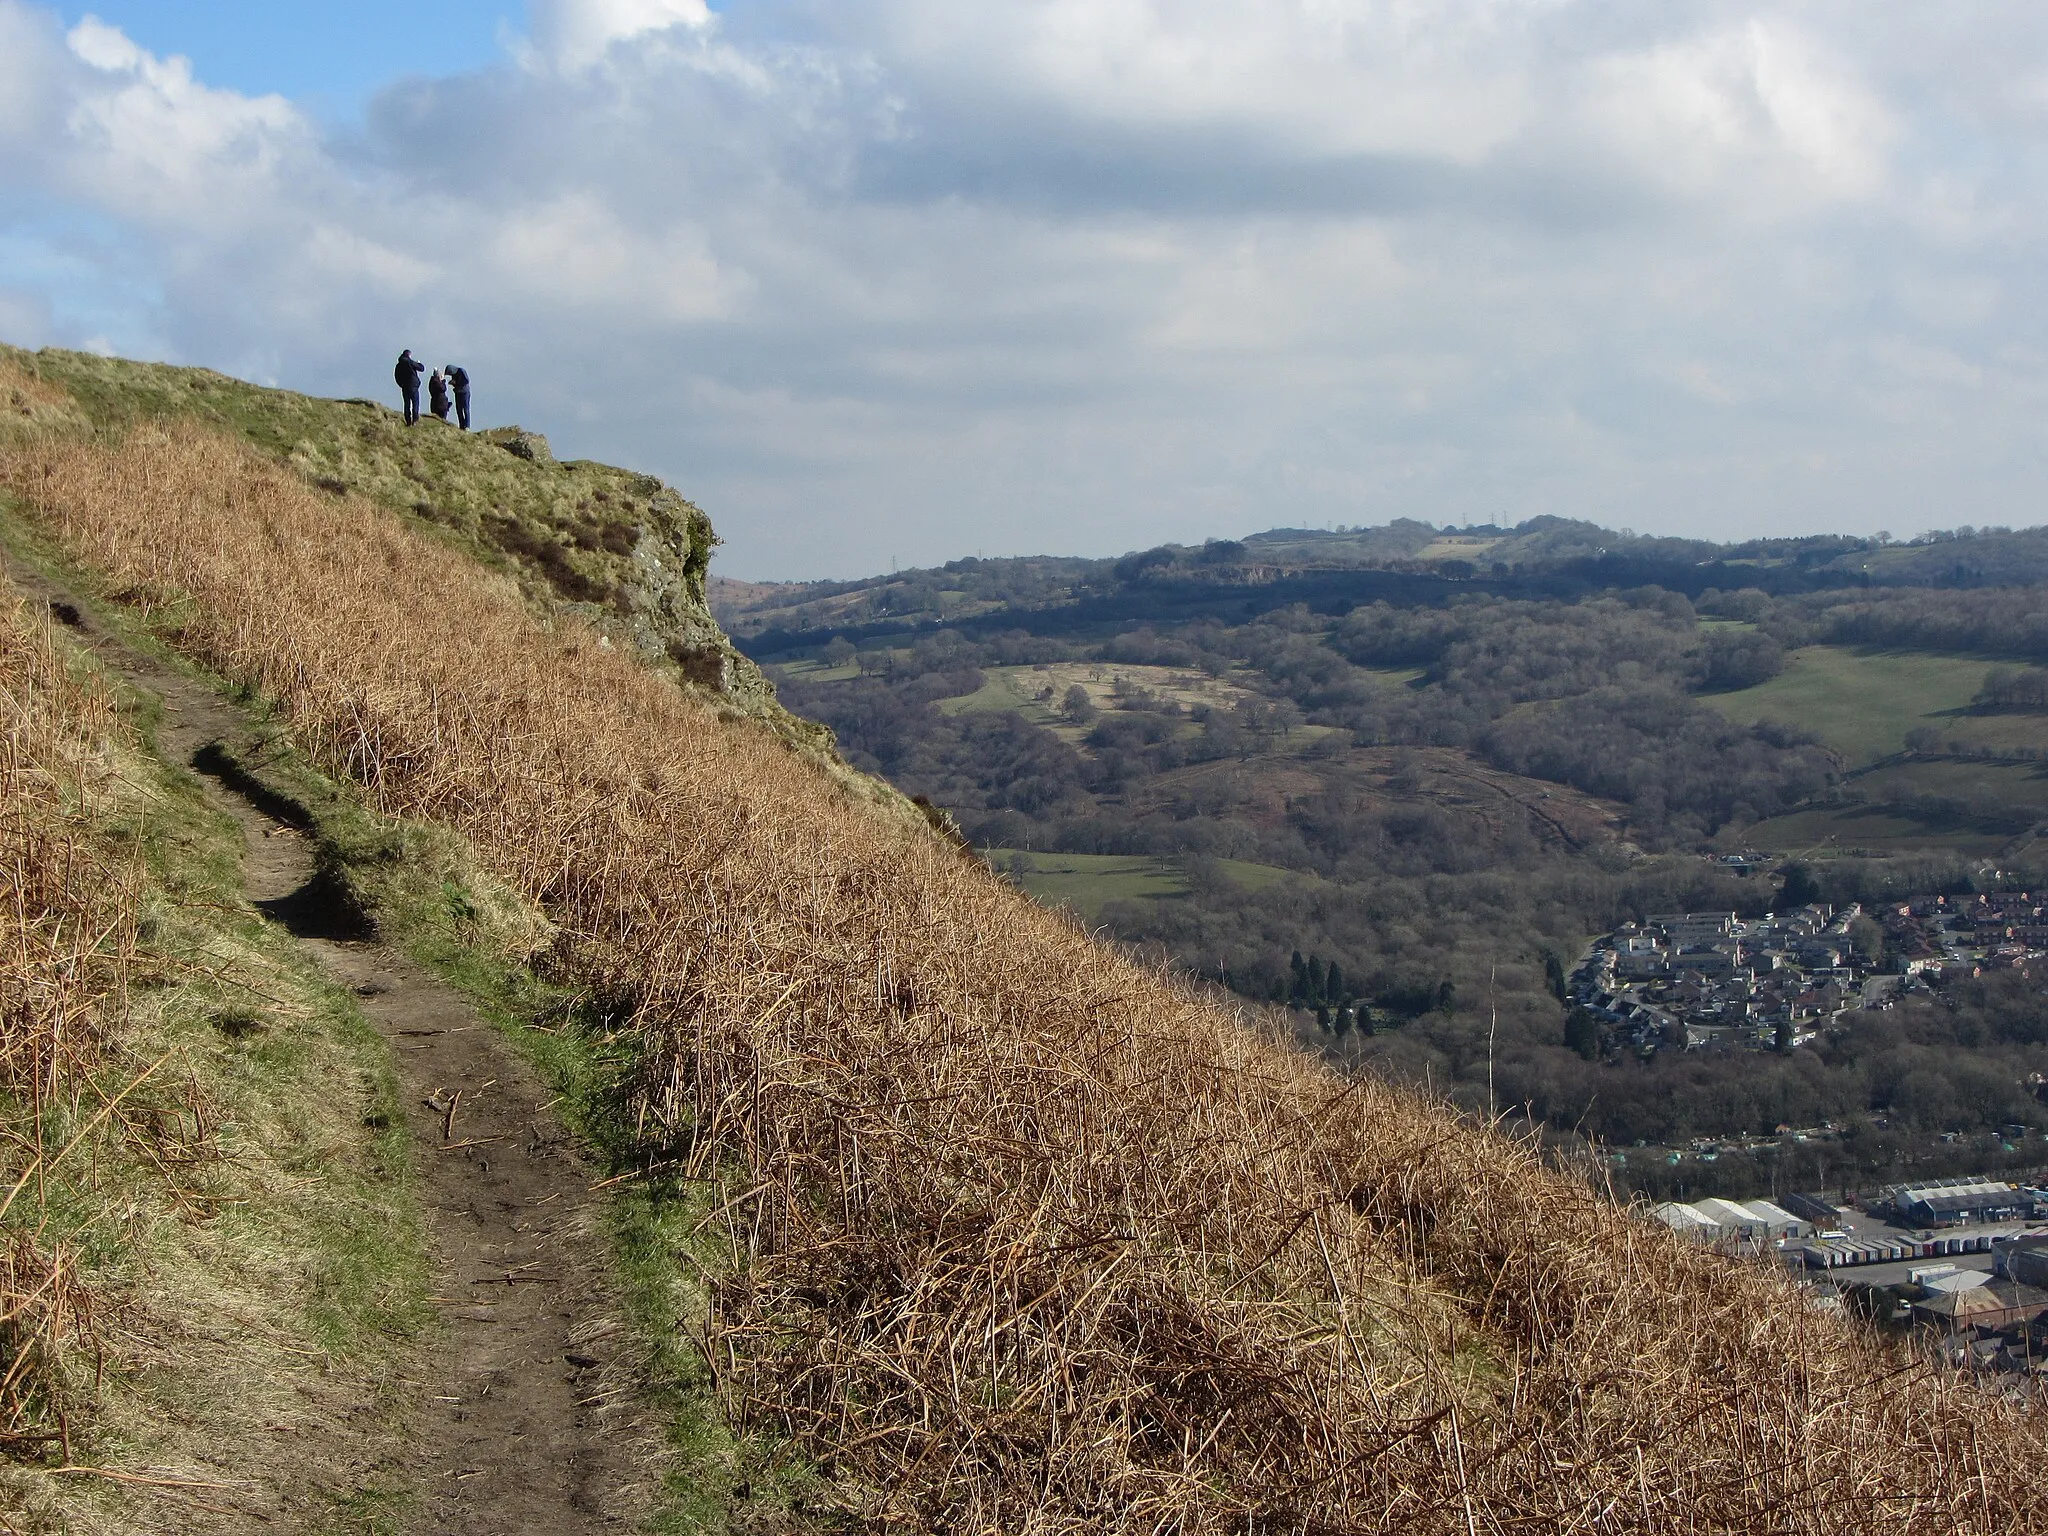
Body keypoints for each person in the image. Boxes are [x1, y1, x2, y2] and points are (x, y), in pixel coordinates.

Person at [394, 349, 424, 425]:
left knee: (406, 403)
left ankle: (408, 420)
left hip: (404, 386)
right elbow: (421, 368)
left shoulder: (398, 365)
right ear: (409, 355)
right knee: (415, 403)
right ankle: (415, 419)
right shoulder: (410, 362)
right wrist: (419, 363)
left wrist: (401, 384)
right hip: (413, 385)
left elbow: (396, 376)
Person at [444, 363, 471, 430]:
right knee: (459, 410)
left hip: (465, 393)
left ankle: (467, 426)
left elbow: (466, 381)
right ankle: (461, 426)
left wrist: (455, 382)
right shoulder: (454, 374)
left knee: (465, 409)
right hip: (457, 392)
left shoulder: (461, 371)